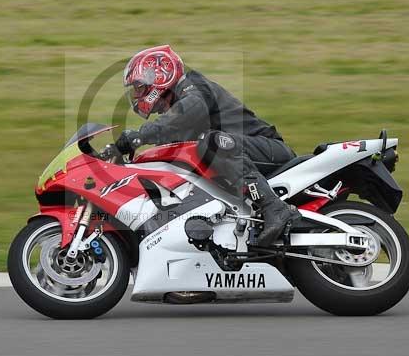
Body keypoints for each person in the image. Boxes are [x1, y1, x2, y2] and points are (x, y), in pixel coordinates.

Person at [115, 45, 301, 246]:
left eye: (139, 87)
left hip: (269, 150)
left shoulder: (194, 88)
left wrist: (139, 135)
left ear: (160, 76)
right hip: (244, 155)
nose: (136, 95)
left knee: (212, 143)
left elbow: (187, 112)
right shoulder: (178, 116)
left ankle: (273, 207)